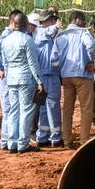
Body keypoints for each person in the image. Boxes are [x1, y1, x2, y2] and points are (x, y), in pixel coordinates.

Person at [1, 13, 44, 154]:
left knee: (14, 110)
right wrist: (39, 81)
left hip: (12, 79)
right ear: (26, 25)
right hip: (26, 79)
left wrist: (8, 78)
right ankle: (23, 144)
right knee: (26, 111)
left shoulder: (6, 41)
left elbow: (5, 63)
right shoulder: (27, 39)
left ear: (14, 24)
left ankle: (12, 143)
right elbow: (33, 63)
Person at [52, 11, 95, 149]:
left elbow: (54, 59)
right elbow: (91, 46)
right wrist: (90, 61)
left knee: (67, 110)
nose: (84, 23)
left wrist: (61, 70)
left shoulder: (60, 35)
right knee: (86, 109)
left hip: (66, 77)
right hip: (82, 75)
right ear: (76, 20)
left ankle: (67, 141)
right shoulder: (83, 32)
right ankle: (84, 141)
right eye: (83, 20)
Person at [0, 9, 21, 150]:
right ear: (14, 22)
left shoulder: (12, 34)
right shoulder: (6, 35)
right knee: (8, 110)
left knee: (12, 109)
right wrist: (0, 67)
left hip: (11, 76)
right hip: (6, 77)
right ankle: (5, 140)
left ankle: (9, 139)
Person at [33, 10, 63, 147]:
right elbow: (48, 32)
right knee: (53, 106)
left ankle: (42, 136)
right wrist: (56, 27)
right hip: (49, 75)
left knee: (45, 107)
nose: (54, 22)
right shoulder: (41, 32)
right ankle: (56, 137)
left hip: (45, 75)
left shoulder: (48, 35)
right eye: (52, 20)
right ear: (46, 21)